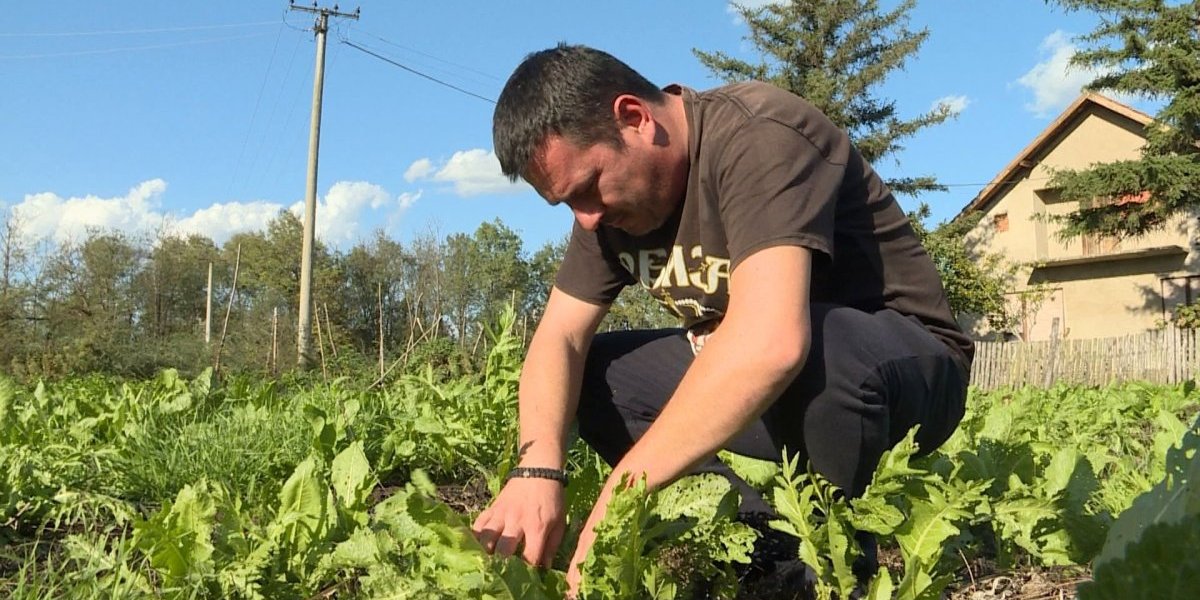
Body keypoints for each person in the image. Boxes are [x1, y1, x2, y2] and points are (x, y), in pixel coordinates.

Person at [470, 43, 973, 595]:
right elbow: (559, 339)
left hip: (902, 371)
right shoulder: (605, 215)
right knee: (594, 375)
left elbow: (771, 344)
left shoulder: (759, 134)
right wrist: (536, 470)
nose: (586, 218)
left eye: (588, 188)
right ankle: (769, 551)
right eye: (567, 203)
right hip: (777, 388)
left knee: (808, 350)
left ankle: (835, 569)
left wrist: (621, 495)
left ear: (634, 118)